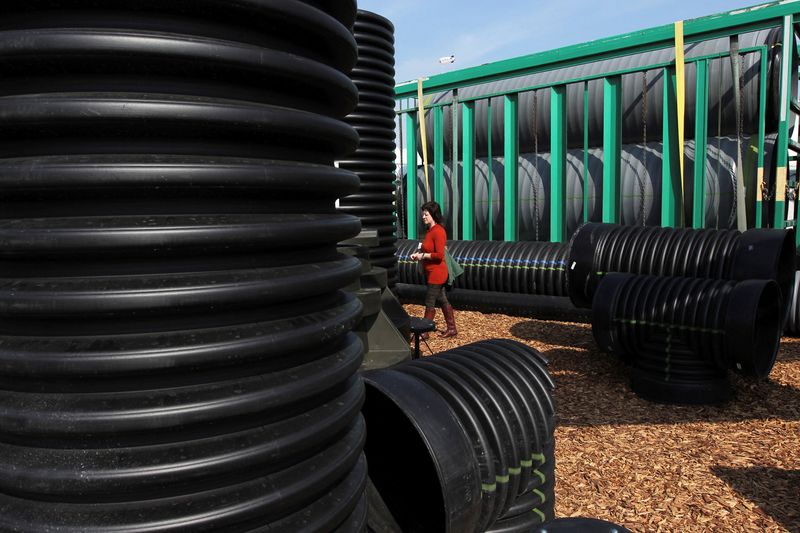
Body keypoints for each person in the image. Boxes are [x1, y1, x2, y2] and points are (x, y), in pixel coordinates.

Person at [409, 201, 457, 338]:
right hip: (431, 272)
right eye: (423, 214)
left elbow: (439, 255)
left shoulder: (439, 232)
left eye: (426, 214)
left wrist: (422, 255)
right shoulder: (429, 231)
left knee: (430, 301)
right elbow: (426, 248)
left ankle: (424, 332)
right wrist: (418, 254)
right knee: (442, 299)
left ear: (433, 215)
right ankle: (452, 328)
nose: (423, 217)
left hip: (438, 273)